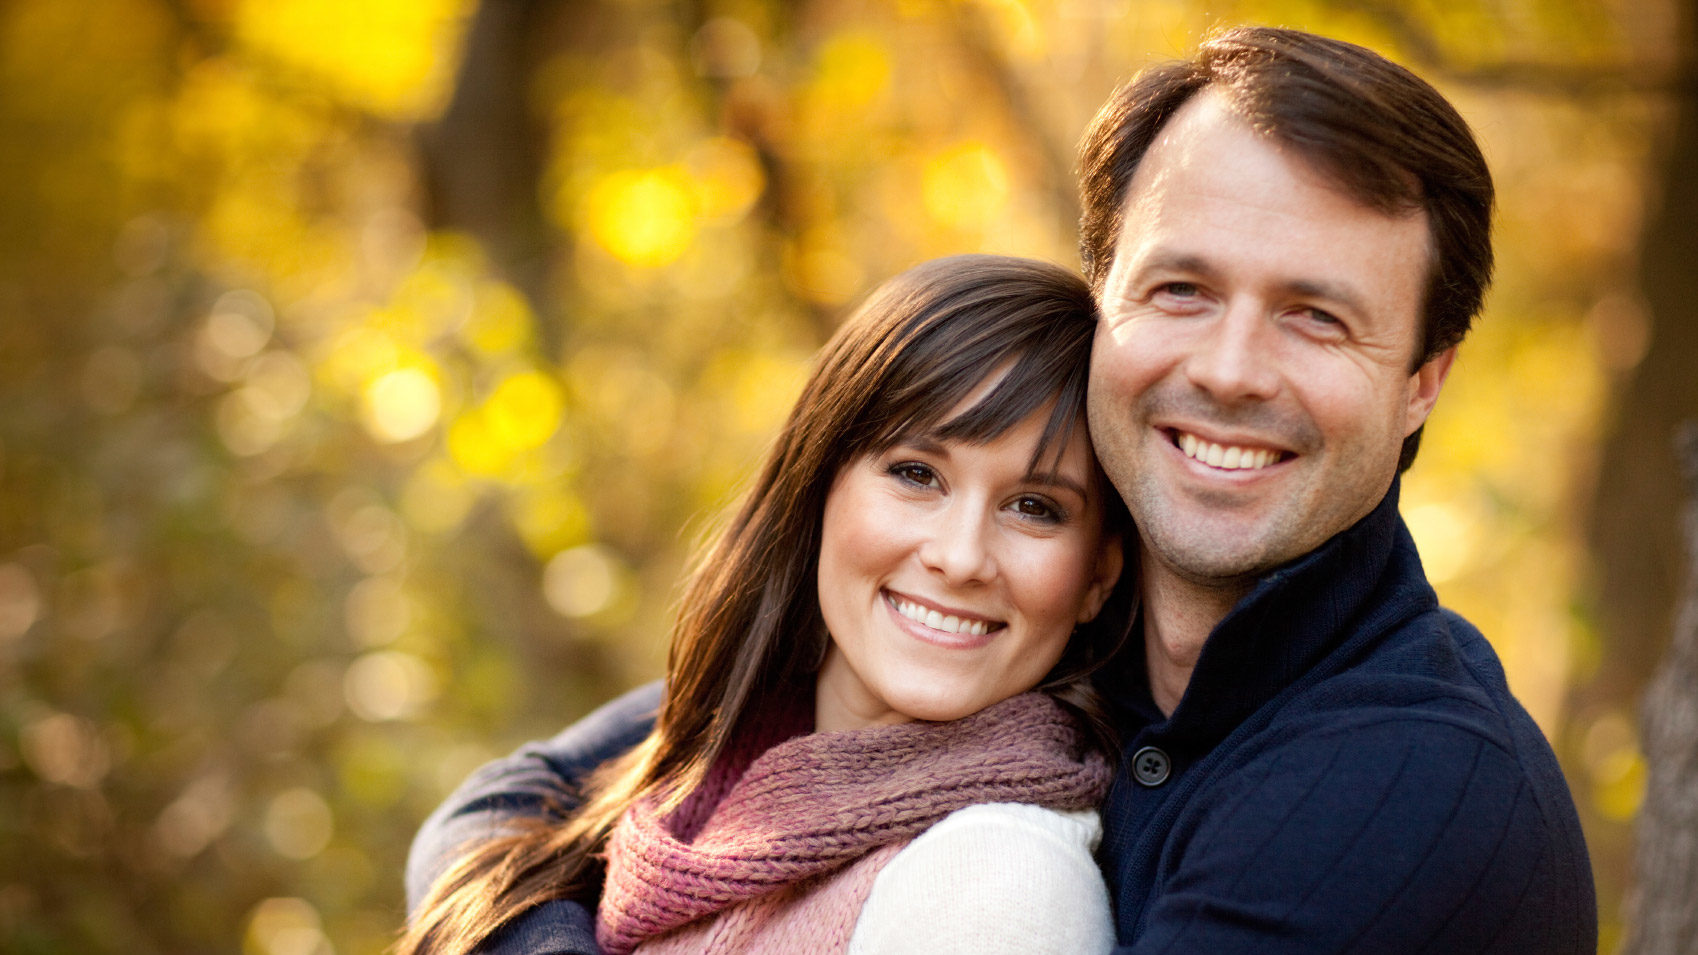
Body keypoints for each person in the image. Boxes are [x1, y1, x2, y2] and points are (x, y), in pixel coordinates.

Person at [407, 25, 1598, 953]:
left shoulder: (1409, 797)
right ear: (1103, 300)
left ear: (1421, 383)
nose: (1229, 371)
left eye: (1316, 316)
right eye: (1181, 289)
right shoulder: (1039, 635)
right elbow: (514, 799)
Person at [400, 254, 1140, 954]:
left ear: (1098, 576)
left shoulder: (995, 883)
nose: (960, 555)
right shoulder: (719, 739)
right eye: (917, 473)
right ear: (817, 484)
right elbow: (480, 824)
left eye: (1035, 507)